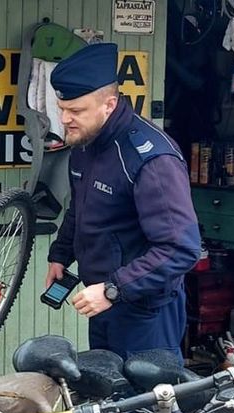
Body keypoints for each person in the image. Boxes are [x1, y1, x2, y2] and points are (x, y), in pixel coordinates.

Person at [43, 43, 201, 362]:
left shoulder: (151, 160)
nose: (64, 119)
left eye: (76, 111)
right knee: (104, 390)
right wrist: (60, 255)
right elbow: (81, 206)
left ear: (109, 104)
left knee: (147, 395)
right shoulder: (86, 143)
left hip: (146, 314)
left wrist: (113, 289)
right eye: (61, 108)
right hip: (104, 303)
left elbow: (181, 248)